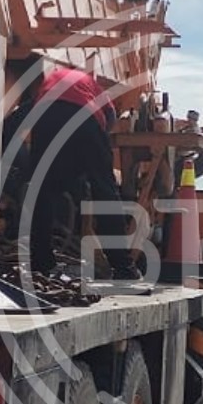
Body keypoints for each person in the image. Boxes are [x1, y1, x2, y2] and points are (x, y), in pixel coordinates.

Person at [25, 66, 139, 279]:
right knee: (105, 191)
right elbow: (109, 116)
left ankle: (41, 263)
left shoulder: (52, 79)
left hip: (45, 115)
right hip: (85, 116)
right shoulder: (94, 88)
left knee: (42, 191)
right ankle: (123, 266)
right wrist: (99, 154)